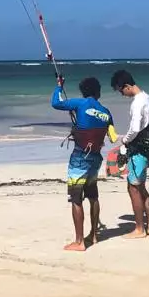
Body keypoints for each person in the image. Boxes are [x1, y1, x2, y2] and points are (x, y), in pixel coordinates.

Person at [51, 74, 114, 252]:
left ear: (84, 92)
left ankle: (79, 242)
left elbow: (56, 103)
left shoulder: (80, 104)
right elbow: (112, 135)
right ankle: (93, 235)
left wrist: (59, 86)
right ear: (98, 92)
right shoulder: (106, 112)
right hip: (95, 157)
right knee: (93, 196)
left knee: (76, 198)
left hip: (80, 157)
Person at [110, 69, 149, 239]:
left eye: (121, 91)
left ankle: (139, 229)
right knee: (141, 187)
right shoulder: (147, 97)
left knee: (133, 188)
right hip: (147, 146)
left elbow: (135, 128)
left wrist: (124, 140)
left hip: (138, 149)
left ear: (127, 86)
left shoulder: (137, 102)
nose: (122, 94)